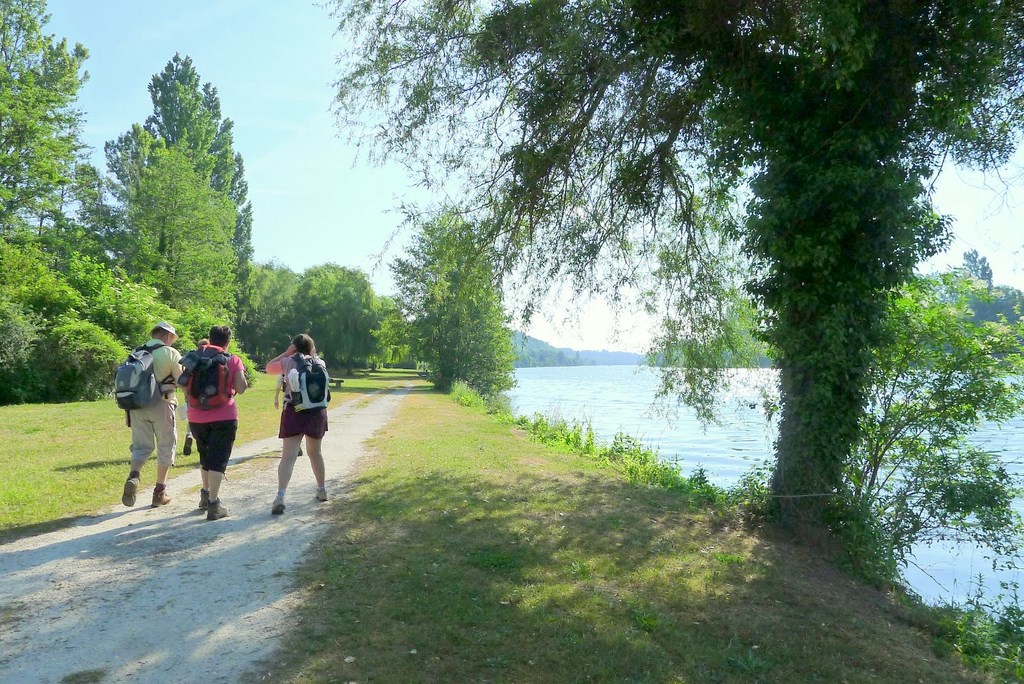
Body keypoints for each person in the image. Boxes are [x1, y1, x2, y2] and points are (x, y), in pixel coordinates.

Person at [183, 325, 248, 521]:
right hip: (224, 416)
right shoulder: (232, 359)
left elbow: (182, 383)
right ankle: (213, 504)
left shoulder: (194, 357)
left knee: (205, 455)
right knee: (218, 459)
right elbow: (241, 387)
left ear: (210, 339)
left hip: (195, 416)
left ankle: (205, 494)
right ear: (228, 342)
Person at [265, 333, 329, 515]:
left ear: (294, 347)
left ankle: (280, 496)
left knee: (288, 456)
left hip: (294, 411)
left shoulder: (288, 361)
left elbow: (269, 368)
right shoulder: (320, 363)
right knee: (315, 453)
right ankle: (321, 489)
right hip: (317, 412)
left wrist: (285, 353)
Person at [122, 321, 183, 508]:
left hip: (137, 406)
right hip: (163, 404)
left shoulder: (137, 352)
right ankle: (159, 492)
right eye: (172, 338)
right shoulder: (170, 353)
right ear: (167, 336)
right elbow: (182, 381)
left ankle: (134, 476)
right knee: (166, 446)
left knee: (141, 447)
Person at [180, 337, 209, 456]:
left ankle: (189, 434)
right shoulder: (211, 359)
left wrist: (186, 394)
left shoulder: (192, 360)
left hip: (192, 394)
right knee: (205, 419)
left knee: (192, 418)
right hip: (207, 396)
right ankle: (203, 442)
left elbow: (182, 380)